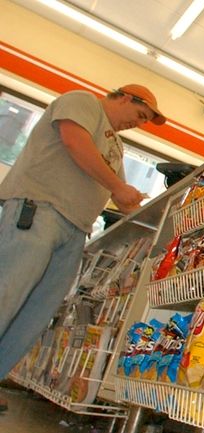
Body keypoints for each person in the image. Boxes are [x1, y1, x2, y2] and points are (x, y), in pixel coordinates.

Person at [0, 84, 166, 391]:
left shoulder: (115, 145)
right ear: (126, 97)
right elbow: (74, 142)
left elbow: (122, 198)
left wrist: (158, 211)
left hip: (75, 231)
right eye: (140, 115)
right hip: (40, 210)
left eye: (144, 122)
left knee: (34, 315)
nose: (139, 124)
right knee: (6, 293)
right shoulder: (83, 102)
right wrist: (118, 186)